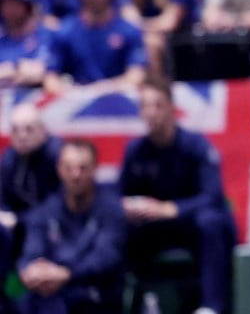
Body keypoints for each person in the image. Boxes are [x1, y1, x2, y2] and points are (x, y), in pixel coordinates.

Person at [120, 82, 236, 314]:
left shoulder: (196, 145)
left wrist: (171, 209)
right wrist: (130, 206)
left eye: (157, 105)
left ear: (172, 108)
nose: (151, 112)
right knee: (118, 230)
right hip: (156, 227)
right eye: (145, 106)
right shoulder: (136, 150)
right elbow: (121, 195)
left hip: (191, 223)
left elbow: (212, 195)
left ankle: (211, 306)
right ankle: (135, 303)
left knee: (211, 221)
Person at [17, 140, 126, 314]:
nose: (76, 175)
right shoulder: (44, 212)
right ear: (59, 169)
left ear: (94, 169)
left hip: (96, 293)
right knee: (17, 293)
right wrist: (32, 270)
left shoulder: (112, 210)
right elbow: (32, 252)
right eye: (69, 168)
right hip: (51, 293)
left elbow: (106, 258)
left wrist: (67, 274)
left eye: (82, 168)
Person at [45, 0, 149, 94]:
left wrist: (103, 89)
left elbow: (137, 76)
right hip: (75, 104)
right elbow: (50, 79)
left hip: (120, 104)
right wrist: (75, 93)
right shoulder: (65, 31)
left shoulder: (129, 31)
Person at [0, 104, 62, 308]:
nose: (22, 136)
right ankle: (11, 300)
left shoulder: (58, 156)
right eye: (16, 130)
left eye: (28, 129)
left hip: (56, 235)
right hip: (20, 236)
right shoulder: (9, 159)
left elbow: (61, 204)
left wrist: (19, 219)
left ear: (43, 129)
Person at [0, 0, 52, 88]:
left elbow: (43, 72)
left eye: (15, 5)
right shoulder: (2, 40)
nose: (10, 10)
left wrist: (13, 68)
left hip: (40, 100)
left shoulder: (45, 35)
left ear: (27, 6)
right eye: (6, 5)